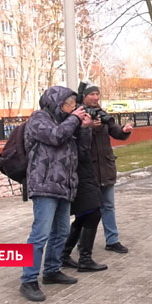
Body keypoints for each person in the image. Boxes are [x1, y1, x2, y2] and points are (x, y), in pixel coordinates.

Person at [19, 86, 92, 302]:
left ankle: (52, 270)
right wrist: (74, 119)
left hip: (64, 186)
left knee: (60, 232)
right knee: (40, 234)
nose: (72, 107)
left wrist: (85, 127)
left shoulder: (66, 122)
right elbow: (55, 136)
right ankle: (28, 279)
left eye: (73, 104)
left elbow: (82, 151)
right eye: (68, 103)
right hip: (43, 185)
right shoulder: (39, 118)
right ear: (55, 101)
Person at [82, 85, 133, 253]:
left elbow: (114, 129)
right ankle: (82, 243)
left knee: (108, 206)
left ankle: (112, 240)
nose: (96, 97)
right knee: (87, 209)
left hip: (106, 167)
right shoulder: (78, 114)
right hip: (88, 170)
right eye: (92, 94)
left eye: (97, 94)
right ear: (84, 96)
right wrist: (89, 128)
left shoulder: (102, 113)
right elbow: (75, 137)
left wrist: (124, 130)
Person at [60, 116, 108, 272]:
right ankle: (84, 259)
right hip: (78, 175)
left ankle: (65, 254)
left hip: (84, 173)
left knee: (84, 215)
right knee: (93, 213)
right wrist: (85, 128)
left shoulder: (74, 120)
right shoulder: (67, 122)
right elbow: (79, 150)